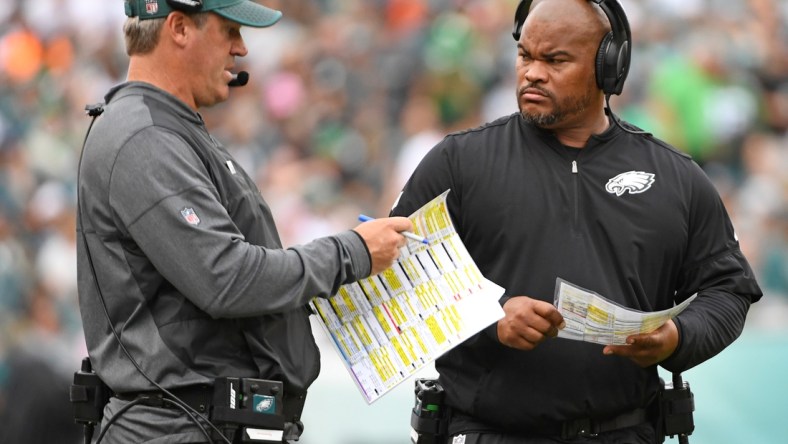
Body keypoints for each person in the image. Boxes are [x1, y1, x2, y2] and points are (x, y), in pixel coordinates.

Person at [390, 0, 763, 443]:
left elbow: (730, 290)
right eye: (525, 55)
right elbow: (392, 280)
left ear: (608, 66)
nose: (532, 72)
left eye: (555, 60)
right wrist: (488, 318)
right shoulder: (457, 163)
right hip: (487, 432)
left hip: (626, 432)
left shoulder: (675, 177)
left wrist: (678, 337)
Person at [75, 1, 413, 443]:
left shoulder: (169, 128)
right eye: (230, 30)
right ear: (178, 28)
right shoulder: (144, 136)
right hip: (170, 426)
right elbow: (225, 278)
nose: (241, 48)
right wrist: (352, 253)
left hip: (196, 424)